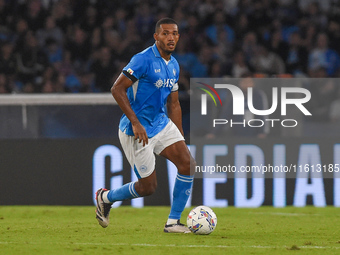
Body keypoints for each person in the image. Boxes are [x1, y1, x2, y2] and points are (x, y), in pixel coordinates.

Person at [95, 18, 195, 233]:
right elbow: (117, 89)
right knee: (148, 188)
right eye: (166, 33)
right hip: (136, 131)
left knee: (187, 164)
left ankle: (173, 222)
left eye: (174, 33)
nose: (171, 37)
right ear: (156, 36)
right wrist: (135, 122)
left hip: (161, 124)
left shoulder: (174, 65)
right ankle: (106, 197)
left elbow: (174, 103)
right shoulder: (142, 60)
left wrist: (179, 136)